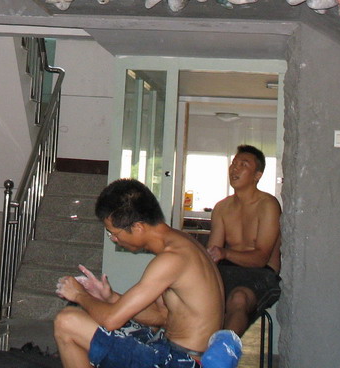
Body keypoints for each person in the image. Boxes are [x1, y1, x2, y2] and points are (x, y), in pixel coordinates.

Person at [53, 178, 239, 368]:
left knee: (67, 321)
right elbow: (162, 316)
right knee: (92, 315)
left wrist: (79, 295)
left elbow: (110, 321)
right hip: (174, 350)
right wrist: (109, 297)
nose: (114, 239)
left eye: (114, 233)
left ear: (138, 227)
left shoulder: (172, 258)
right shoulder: (182, 243)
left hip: (183, 362)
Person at [206, 145, 282, 337]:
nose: (235, 168)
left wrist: (224, 253)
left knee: (238, 299)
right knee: (182, 290)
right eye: (234, 164)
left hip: (260, 273)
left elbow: (260, 258)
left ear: (257, 175)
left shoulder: (268, 205)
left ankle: (223, 351)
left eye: (243, 165)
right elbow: (212, 254)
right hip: (227, 270)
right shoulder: (222, 207)